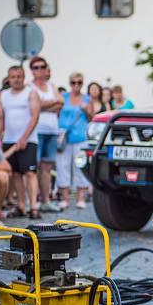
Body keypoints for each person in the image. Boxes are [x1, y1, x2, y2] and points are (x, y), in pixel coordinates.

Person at [0, 65, 41, 219]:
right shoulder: (3, 95)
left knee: (30, 173)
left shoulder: (31, 93)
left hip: (28, 140)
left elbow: (35, 116)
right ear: (9, 78)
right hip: (9, 140)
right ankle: (21, 206)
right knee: (16, 174)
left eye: (19, 76)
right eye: (13, 77)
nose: (16, 79)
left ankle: (34, 207)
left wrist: (24, 137)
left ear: (23, 77)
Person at [28, 56, 63, 213]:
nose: (39, 70)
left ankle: (45, 201)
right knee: (33, 167)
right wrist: (50, 104)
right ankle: (32, 201)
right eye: (36, 67)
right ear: (32, 70)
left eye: (42, 66)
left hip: (52, 130)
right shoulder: (29, 87)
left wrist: (42, 106)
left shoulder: (51, 85)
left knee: (47, 167)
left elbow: (61, 102)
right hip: (36, 131)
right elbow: (34, 106)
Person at [56, 72, 93, 209]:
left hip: (80, 138)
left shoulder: (87, 99)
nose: (76, 85)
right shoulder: (63, 97)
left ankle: (81, 199)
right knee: (62, 166)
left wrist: (86, 110)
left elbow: (92, 118)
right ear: (70, 83)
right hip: (63, 138)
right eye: (73, 82)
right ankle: (65, 199)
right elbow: (56, 114)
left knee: (80, 167)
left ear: (82, 83)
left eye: (79, 82)